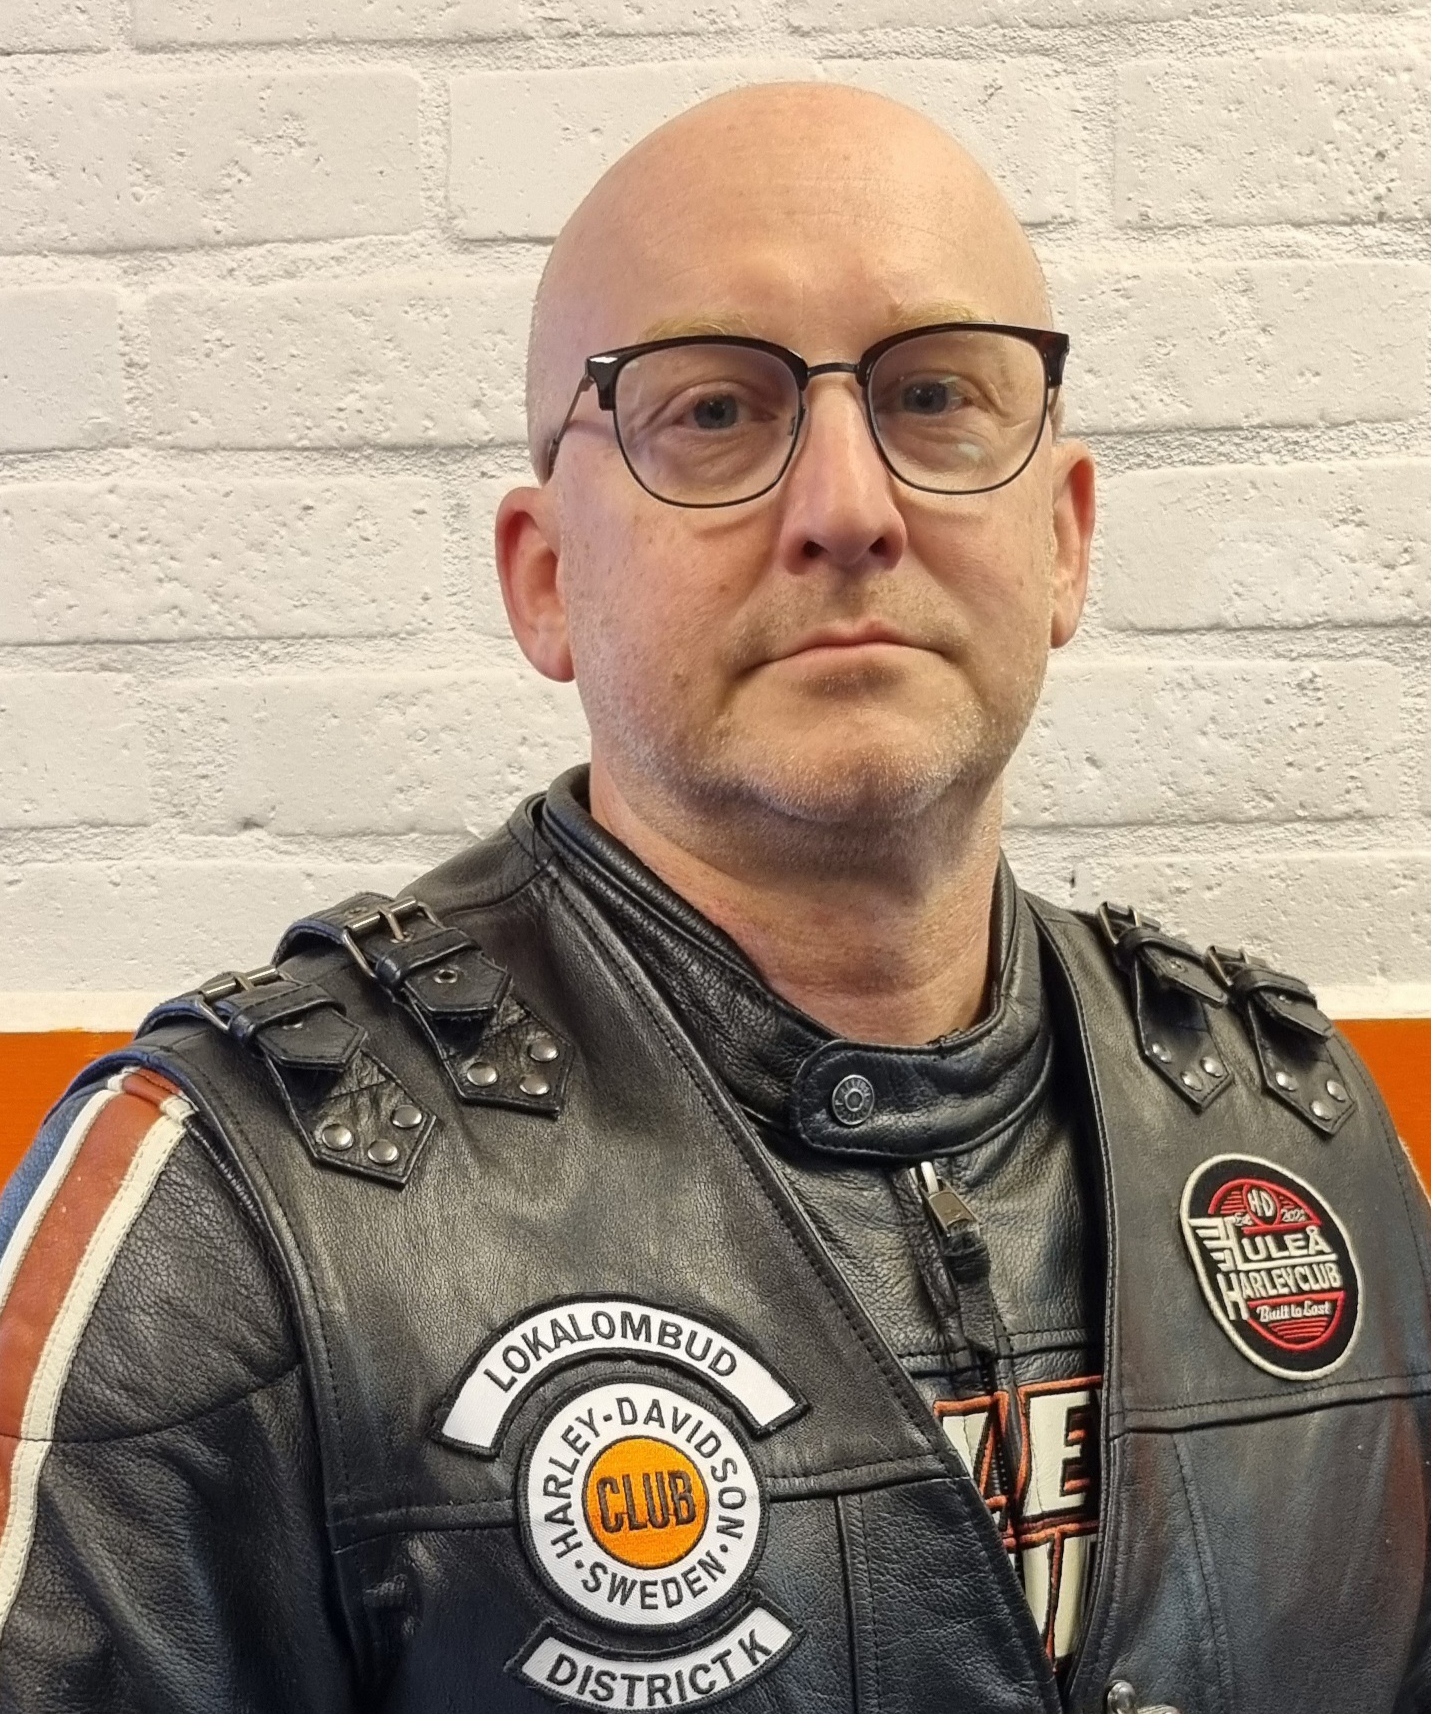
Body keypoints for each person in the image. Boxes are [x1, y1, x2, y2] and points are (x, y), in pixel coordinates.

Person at [0, 80, 1427, 1714]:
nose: (849, 509)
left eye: (936, 393)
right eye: (714, 413)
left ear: (1065, 541)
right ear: (546, 577)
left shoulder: (1299, 1133)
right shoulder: (235, 1219)